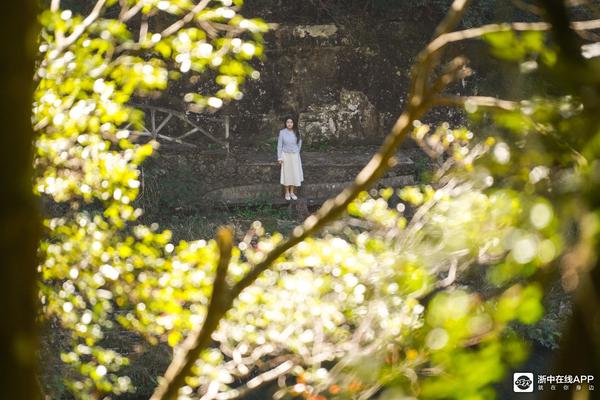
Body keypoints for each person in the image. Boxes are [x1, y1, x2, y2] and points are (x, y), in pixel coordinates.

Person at [277, 116, 303, 200]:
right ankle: (287, 192)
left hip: (294, 156)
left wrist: (296, 152)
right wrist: (279, 158)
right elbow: (279, 146)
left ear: (293, 123)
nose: (289, 124)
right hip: (285, 155)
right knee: (287, 174)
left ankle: (292, 192)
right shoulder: (282, 132)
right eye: (288, 122)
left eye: (291, 122)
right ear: (285, 123)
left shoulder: (297, 132)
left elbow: (299, 143)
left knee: (294, 174)